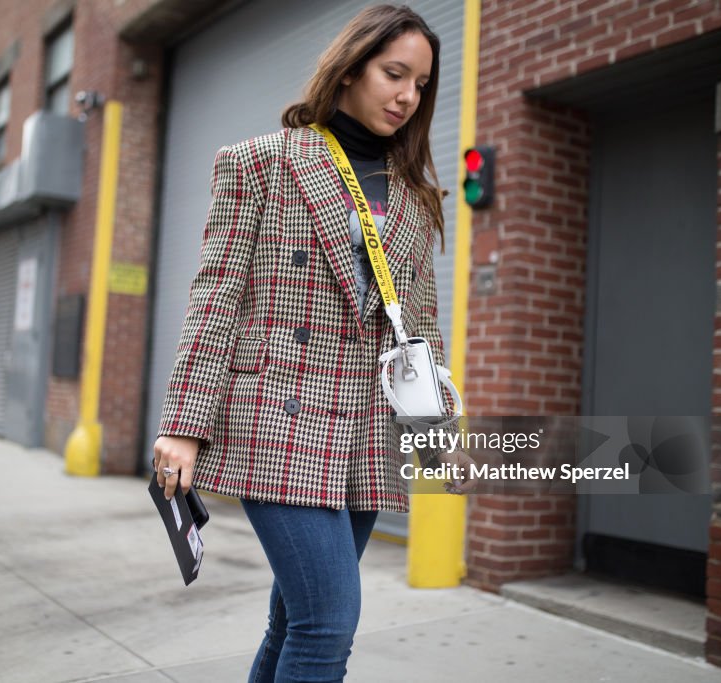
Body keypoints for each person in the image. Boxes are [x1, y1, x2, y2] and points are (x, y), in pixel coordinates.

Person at [153, 5, 475, 681]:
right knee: (328, 623)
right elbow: (216, 298)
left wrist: (432, 433)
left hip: (365, 430)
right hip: (280, 415)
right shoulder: (260, 163)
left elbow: (420, 324)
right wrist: (184, 424)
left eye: (420, 83)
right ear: (352, 67)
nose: (407, 96)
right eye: (394, 73)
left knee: (293, 622)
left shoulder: (416, 195)